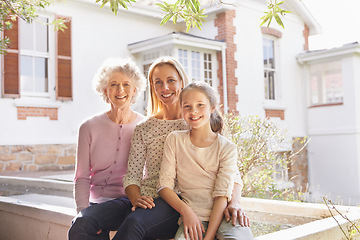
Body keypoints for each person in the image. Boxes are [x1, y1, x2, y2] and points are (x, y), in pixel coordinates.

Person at [113, 56, 253, 240]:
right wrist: (135, 198)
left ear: (181, 82)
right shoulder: (152, 130)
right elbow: (135, 176)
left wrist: (235, 202)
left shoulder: (197, 123)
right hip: (160, 200)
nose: (165, 87)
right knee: (96, 221)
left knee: (135, 223)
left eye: (171, 80)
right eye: (158, 82)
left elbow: (231, 175)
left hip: (189, 204)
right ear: (152, 87)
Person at [158, 81, 250, 240]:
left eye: (200, 105)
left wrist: (208, 238)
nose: (193, 111)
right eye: (187, 106)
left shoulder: (227, 148)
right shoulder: (174, 140)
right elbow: (164, 187)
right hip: (193, 218)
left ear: (212, 107)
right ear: (181, 109)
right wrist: (186, 212)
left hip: (225, 216)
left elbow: (222, 195)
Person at [68, 57, 146, 240]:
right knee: (85, 227)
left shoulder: (144, 126)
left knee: (81, 227)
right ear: (105, 90)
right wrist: (83, 212)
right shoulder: (88, 127)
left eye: (126, 84)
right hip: (96, 206)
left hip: (128, 202)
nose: (120, 90)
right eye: (113, 84)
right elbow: (81, 177)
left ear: (135, 90)